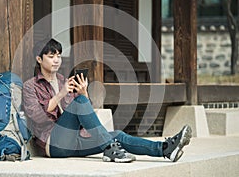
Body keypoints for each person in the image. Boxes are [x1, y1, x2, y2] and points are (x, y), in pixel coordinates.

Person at [22, 38, 192, 163]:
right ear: (39, 59)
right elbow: (38, 117)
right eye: (51, 56)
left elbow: (82, 114)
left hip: (75, 139)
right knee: (80, 103)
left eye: (59, 55)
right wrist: (61, 94)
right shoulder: (30, 86)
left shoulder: (62, 80)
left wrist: (83, 93)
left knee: (117, 135)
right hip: (53, 144)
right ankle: (110, 148)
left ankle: (165, 149)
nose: (57, 60)